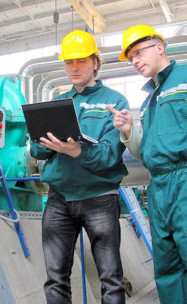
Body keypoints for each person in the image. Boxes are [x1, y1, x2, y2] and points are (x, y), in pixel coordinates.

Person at [106, 24, 187, 304]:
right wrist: (130, 130)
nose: (134, 61)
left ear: (160, 46)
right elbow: (147, 153)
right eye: (130, 58)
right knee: (169, 272)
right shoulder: (150, 100)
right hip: (161, 188)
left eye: (138, 52)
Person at [30, 29, 129, 304]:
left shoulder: (114, 102)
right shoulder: (57, 102)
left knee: (110, 280)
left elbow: (110, 156)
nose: (74, 67)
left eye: (81, 61)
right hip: (59, 199)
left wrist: (77, 151)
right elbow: (38, 151)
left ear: (95, 62)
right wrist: (39, 140)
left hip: (99, 197)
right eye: (68, 62)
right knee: (55, 279)